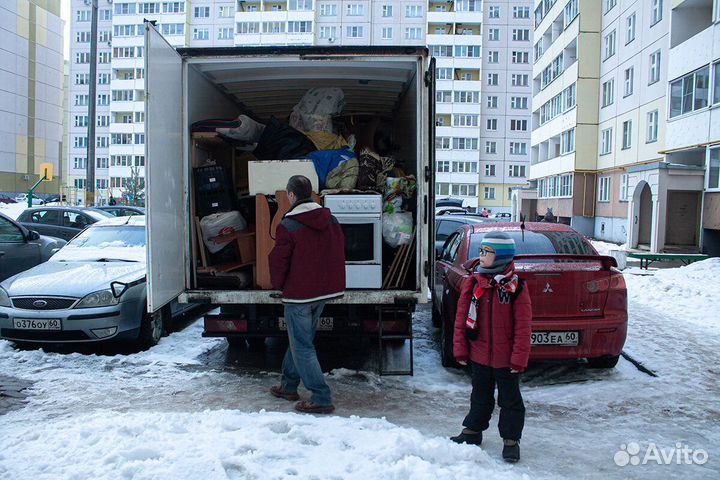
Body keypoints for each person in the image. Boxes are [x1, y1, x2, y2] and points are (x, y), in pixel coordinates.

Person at [450, 232, 532, 463]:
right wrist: (460, 349)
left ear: (501, 257)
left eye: (487, 252)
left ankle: (511, 440)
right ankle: (472, 431)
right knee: (480, 396)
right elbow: (461, 319)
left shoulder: (515, 287)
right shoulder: (475, 283)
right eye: (482, 251)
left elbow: (523, 327)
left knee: (510, 400)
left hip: (506, 358)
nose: (481, 255)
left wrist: (519, 358)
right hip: (479, 354)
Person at [268, 175, 346, 414]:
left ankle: (321, 397)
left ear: (291, 195)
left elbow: (279, 262)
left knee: (301, 345)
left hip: (299, 295)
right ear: (311, 194)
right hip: (323, 292)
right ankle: (288, 385)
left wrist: (278, 287)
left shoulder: (288, 225)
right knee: (301, 341)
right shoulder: (330, 219)